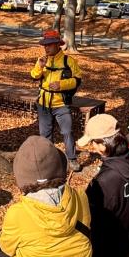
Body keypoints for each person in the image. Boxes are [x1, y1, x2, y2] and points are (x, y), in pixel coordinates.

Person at [77, 114, 129, 257]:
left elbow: (92, 213)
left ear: (104, 144)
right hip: (128, 234)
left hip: (109, 248)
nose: (92, 147)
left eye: (93, 142)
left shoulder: (106, 180)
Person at [30, 29, 83, 172]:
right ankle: (49, 160)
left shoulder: (69, 61)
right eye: (44, 45)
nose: (46, 48)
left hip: (61, 105)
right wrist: (40, 67)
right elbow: (34, 76)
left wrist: (61, 85)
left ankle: (71, 159)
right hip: (44, 103)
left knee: (67, 132)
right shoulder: (42, 60)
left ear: (57, 45)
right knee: (45, 134)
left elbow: (77, 80)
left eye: (49, 45)